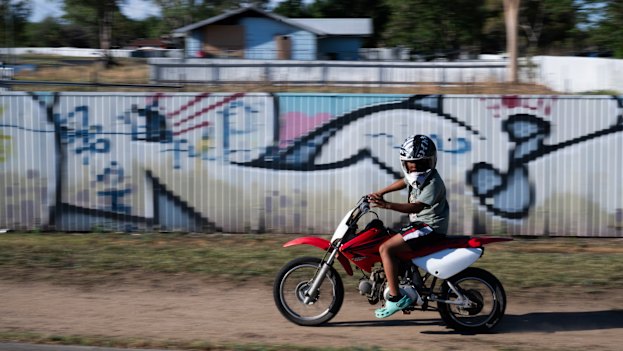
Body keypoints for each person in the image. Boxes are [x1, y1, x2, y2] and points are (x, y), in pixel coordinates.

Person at [368, 134, 449, 319]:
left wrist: (387, 205)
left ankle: (396, 298)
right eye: (411, 165)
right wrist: (378, 193)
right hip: (420, 225)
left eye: (420, 164)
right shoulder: (416, 177)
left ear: (431, 161)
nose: (416, 169)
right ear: (405, 164)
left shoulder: (434, 182)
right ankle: (406, 285)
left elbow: (416, 206)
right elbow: (403, 181)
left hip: (429, 228)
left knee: (385, 248)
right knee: (387, 237)